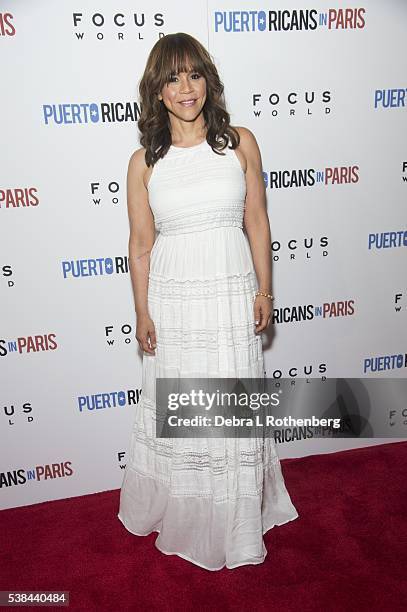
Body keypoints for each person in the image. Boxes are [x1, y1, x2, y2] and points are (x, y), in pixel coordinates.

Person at [118, 32, 299, 571]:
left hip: (228, 295)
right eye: (172, 78)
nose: (185, 87)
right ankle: (185, 506)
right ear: (157, 91)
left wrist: (265, 289)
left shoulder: (240, 142)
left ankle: (237, 522)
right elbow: (141, 244)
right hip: (174, 301)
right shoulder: (143, 163)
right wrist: (142, 311)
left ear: (208, 81)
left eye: (194, 74)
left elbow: (258, 222)